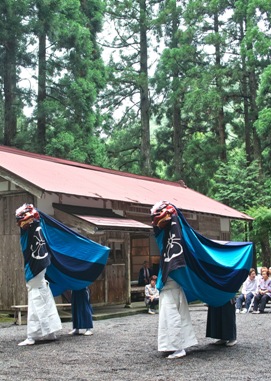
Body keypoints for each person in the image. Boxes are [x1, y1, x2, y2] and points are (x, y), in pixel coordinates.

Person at [15, 203, 62, 346]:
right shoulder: (39, 227)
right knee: (45, 299)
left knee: (36, 301)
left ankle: (32, 335)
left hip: (36, 268)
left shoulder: (31, 229)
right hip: (41, 265)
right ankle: (50, 332)